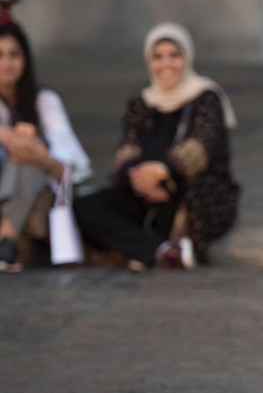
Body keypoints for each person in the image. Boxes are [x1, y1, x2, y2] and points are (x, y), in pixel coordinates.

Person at [74, 22, 239, 271]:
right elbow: (126, 150)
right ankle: (160, 251)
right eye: (157, 57)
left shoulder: (206, 97)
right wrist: (141, 178)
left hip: (191, 188)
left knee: (183, 200)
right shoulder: (142, 102)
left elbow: (200, 146)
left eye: (174, 56)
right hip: (146, 191)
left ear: (187, 57)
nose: (166, 65)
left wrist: (161, 172)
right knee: (84, 207)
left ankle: (145, 248)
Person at [0, 22, 91, 272]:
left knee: (27, 160)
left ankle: (6, 237)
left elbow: (66, 169)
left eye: (14, 55)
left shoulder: (44, 101)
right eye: (0, 55)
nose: (6, 63)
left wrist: (40, 155)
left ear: (26, 60)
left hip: (38, 196)